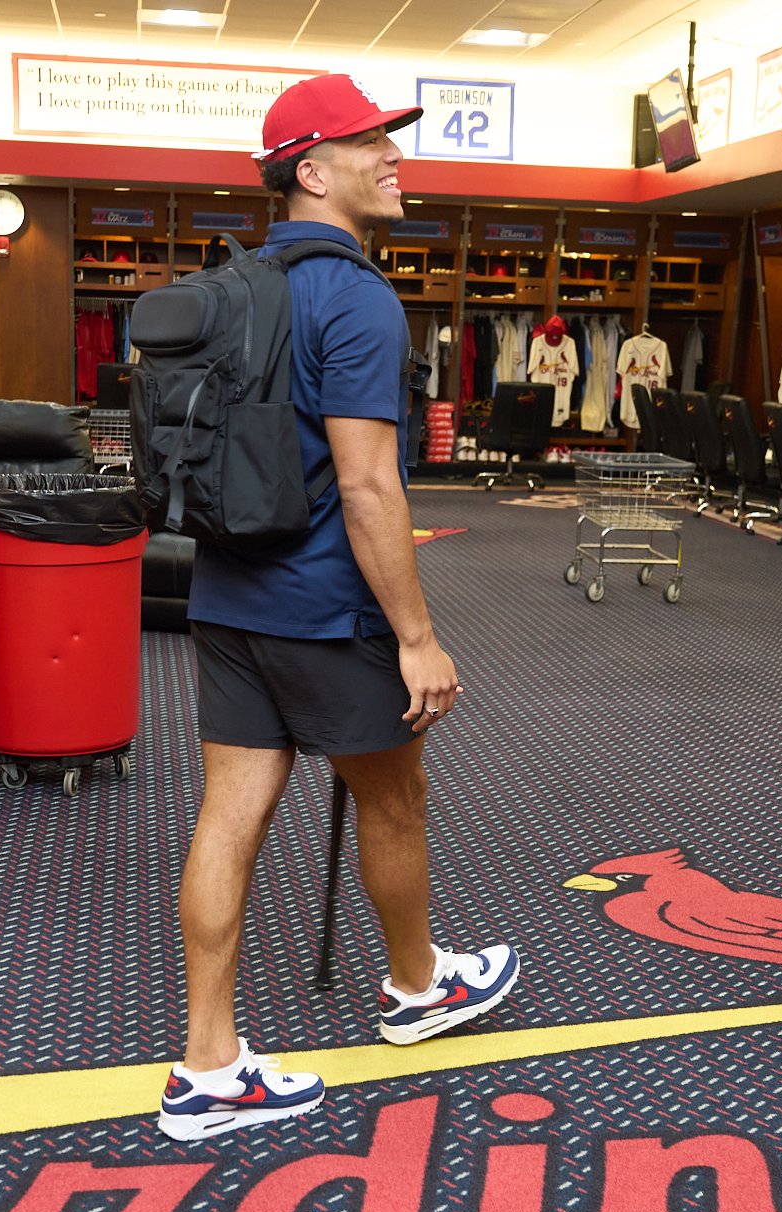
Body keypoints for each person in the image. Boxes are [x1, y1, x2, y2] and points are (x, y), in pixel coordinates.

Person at [158, 73, 521, 1143]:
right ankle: (418, 991)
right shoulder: (358, 296)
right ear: (311, 171)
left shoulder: (234, 285)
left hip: (224, 599)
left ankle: (207, 1063)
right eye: (371, 144)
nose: (394, 157)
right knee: (394, 801)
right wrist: (417, 637)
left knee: (228, 815)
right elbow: (369, 487)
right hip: (328, 611)